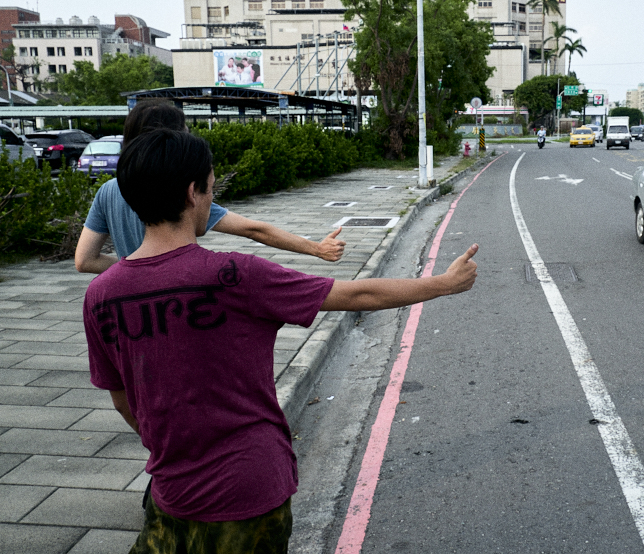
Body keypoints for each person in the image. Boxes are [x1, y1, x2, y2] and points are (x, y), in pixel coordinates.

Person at [83, 129, 478, 552]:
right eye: (212, 184)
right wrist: (443, 284)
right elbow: (357, 294)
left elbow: (123, 400)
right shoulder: (236, 275)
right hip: (250, 492)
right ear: (193, 192)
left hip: (169, 491)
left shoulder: (102, 295)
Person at [74, 100, 345, 274]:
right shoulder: (179, 193)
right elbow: (254, 229)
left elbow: (85, 260)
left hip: (133, 309)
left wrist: (131, 267)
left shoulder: (107, 191)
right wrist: (316, 249)